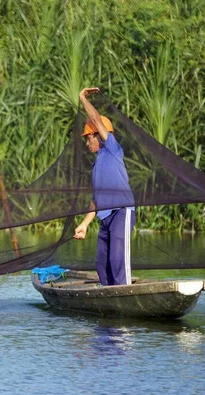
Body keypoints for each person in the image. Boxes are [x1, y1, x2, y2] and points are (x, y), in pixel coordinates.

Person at [73, 87, 135, 286]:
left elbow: (97, 120)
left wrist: (82, 98)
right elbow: (95, 201)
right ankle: (109, 300)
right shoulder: (97, 164)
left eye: (88, 138)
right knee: (102, 265)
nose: (87, 143)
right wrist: (84, 224)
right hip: (105, 218)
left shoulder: (112, 148)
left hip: (120, 213)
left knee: (117, 262)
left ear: (98, 136)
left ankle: (124, 295)